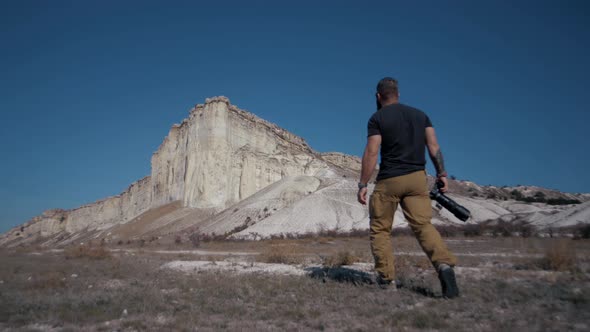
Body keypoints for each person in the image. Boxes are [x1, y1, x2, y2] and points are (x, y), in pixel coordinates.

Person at [357, 77, 459, 298]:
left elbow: (372, 152)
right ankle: (444, 266)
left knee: (380, 230)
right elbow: (433, 146)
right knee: (423, 226)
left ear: (378, 96)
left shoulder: (377, 118)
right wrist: (441, 173)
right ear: (398, 94)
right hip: (416, 178)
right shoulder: (420, 115)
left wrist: (363, 184)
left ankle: (386, 280)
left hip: (389, 180)